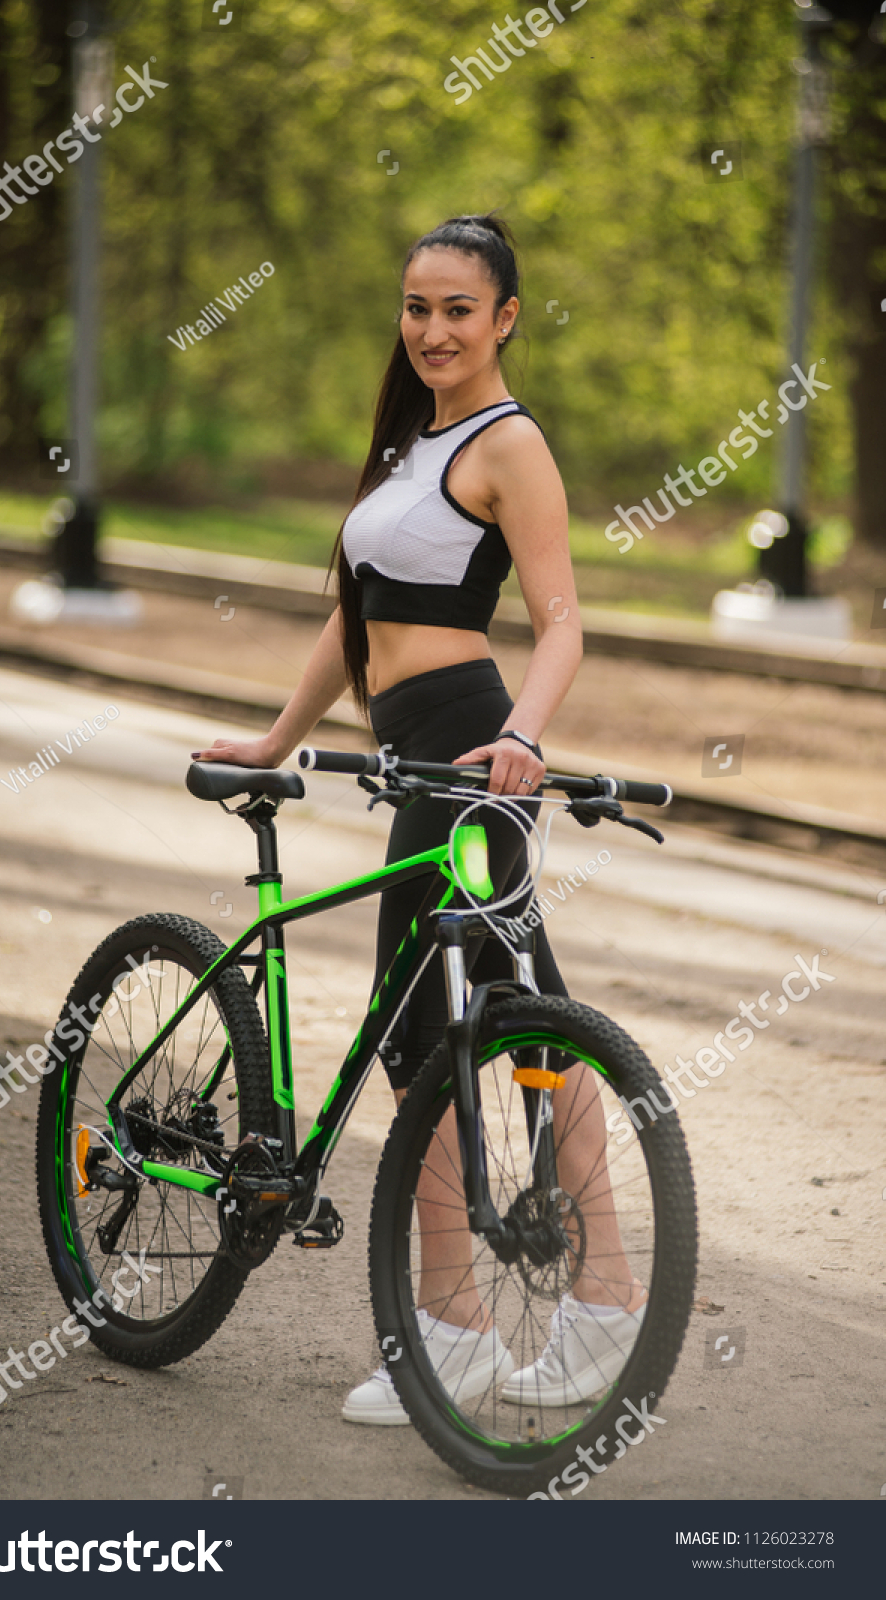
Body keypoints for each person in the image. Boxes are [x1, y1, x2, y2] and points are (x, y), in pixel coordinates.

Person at [194, 214, 646, 1426]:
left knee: (524, 1018)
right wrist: (276, 741)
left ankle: (600, 1302)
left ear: (505, 318)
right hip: (410, 762)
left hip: (471, 751)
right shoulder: (409, 444)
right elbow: (354, 620)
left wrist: (527, 739)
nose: (434, 328)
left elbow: (561, 622)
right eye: (416, 307)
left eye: (459, 309)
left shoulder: (511, 443)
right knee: (427, 1038)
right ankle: (450, 1333)